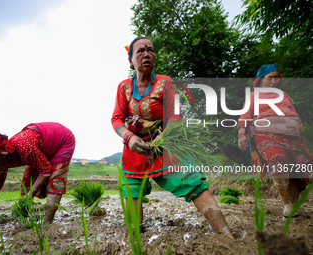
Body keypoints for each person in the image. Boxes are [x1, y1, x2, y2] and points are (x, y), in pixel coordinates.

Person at [111, 37, 234, 239]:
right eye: (140, 51)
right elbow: (116, 119)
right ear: (131, 60)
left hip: (164, 144)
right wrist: (130, 138)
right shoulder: (123, 87)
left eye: (150, 50)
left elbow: (174, 116)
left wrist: (161, 140)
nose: (147, 54)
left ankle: (227, 236)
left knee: (192, 181)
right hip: (134, 148)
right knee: (131, 191)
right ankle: (135, 241)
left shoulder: (165, 82)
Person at [238, 64, 313, 216]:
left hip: (290, 134)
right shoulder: (253, 96)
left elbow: (292, 112)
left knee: (304, 165)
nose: (274, 81)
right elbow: (245, 116)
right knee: (277, 161)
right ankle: (286, 204)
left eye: (276, 77)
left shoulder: (283, 95)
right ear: (260, 81)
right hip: (265, 133)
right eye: (269, 78)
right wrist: (242, 135)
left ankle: (293, 200)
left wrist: (300, 125)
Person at [0, 122, 75, 223]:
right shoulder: (0, 161)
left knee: (55, 179)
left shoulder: (25, 147)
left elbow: (46, 171)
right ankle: (21, 217)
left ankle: (47, 223)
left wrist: (30, 195)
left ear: (2, 154)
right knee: (28, 181)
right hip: (42, 146)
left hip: (63, 140)